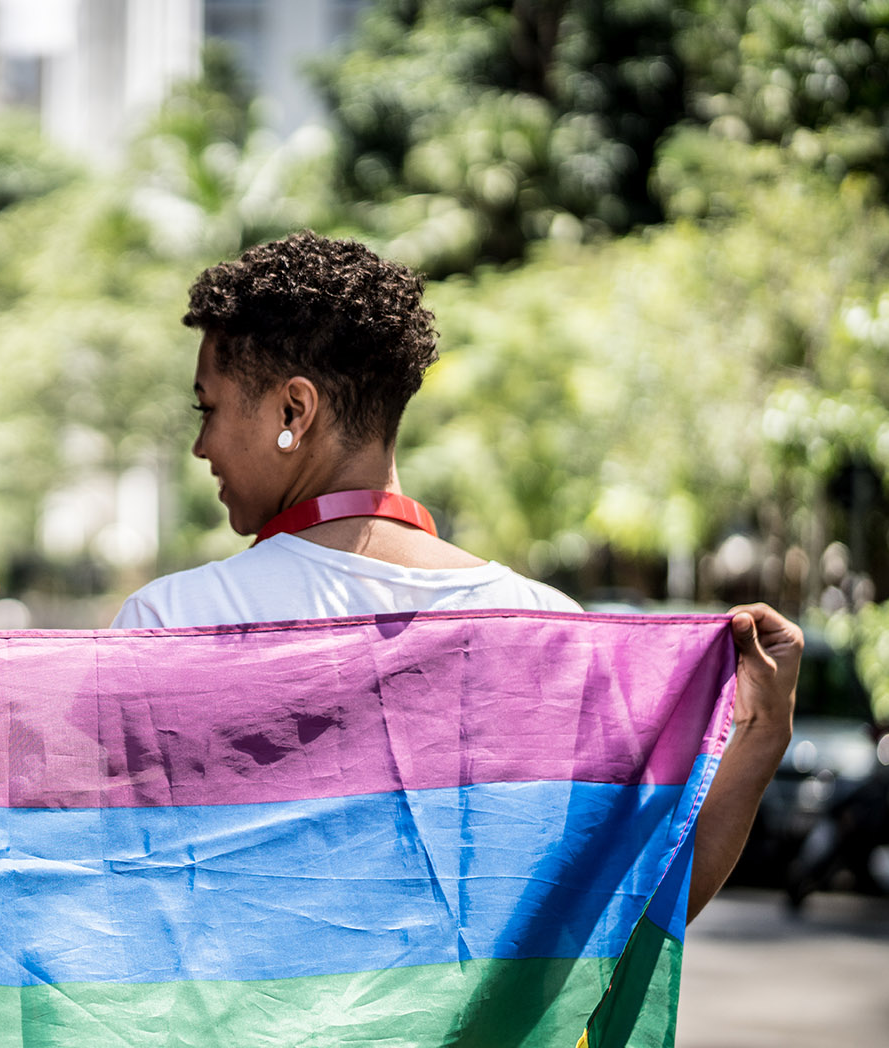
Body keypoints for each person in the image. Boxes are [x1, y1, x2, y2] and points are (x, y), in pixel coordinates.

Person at [114, 230, 802, 922]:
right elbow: (620, 916)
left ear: (295, 411)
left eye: (208, 409)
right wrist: (764, 732)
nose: (201, 445)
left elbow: (108, 900)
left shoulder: (174, 623)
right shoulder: (547, 627)